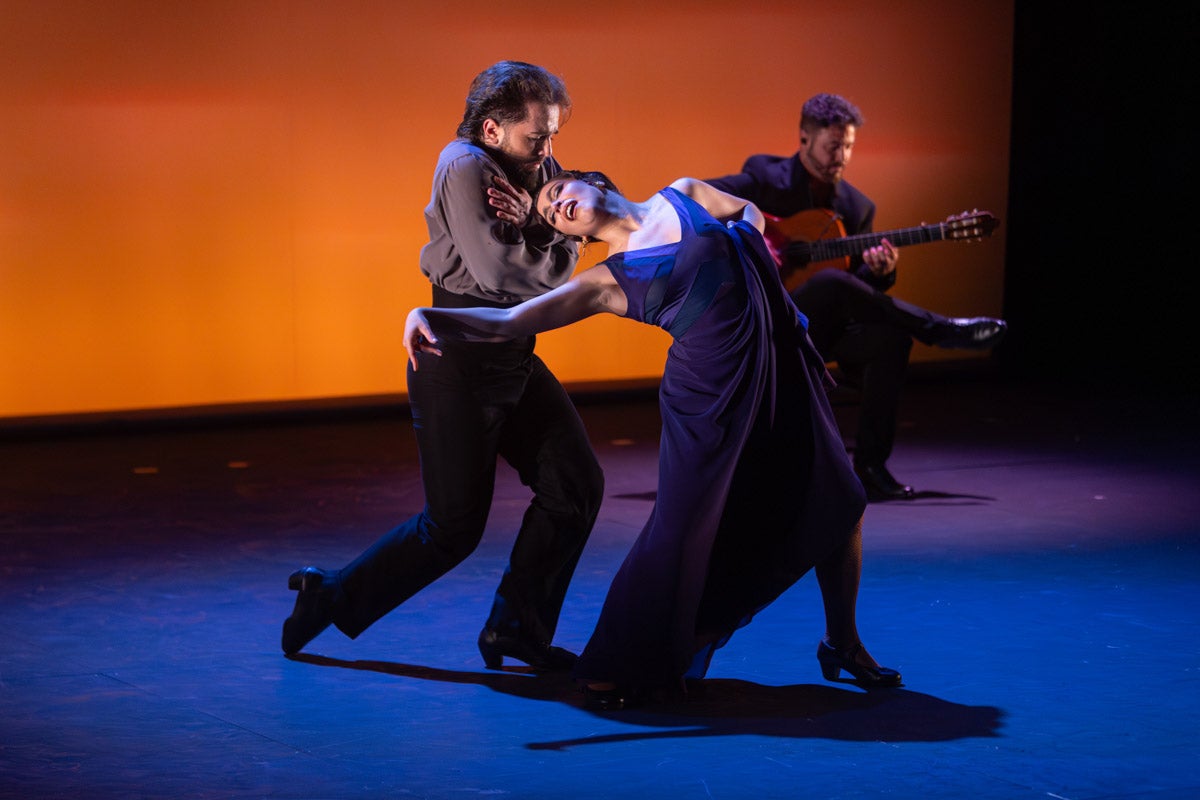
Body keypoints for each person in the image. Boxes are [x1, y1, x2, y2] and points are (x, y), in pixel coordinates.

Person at [403, 171, 900, 709]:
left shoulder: (683, 193)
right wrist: (428, 313)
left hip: (776, 365)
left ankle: (843, 643)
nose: (557, 208)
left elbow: (748, 212)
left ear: (590, 181)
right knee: (683, 531)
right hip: (708, 400)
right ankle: (622, 659)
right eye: (550, 215)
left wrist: (753, 243)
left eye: (557, 194)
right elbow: (510, 320)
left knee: (841, 497)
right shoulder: (605, 281)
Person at [281, 61, 604, 672]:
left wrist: (535, 221)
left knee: (576, 487)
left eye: (554, 137)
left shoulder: (532, 165)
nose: (549, 154)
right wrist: (561, 242)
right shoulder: (462, 166)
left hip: (510, 351)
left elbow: (590, 195)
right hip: (452, 355)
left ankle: (516, 629)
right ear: (491, 131)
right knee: (452, 529)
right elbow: (503, 277)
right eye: (537, 138)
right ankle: (330, 594)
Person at [706, 93, 1007, 501]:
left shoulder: (857, 206)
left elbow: (859, 289)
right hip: (761, 321)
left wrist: (880, 272)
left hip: (815, 330)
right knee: (832, 283)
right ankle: (939, 329)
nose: (842, 157)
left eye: (848, 146)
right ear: (805, 139)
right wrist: (759, 238)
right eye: (833, 146)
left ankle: (869, 467)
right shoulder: (763, 176)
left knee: (890, 339)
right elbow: (700, 199)